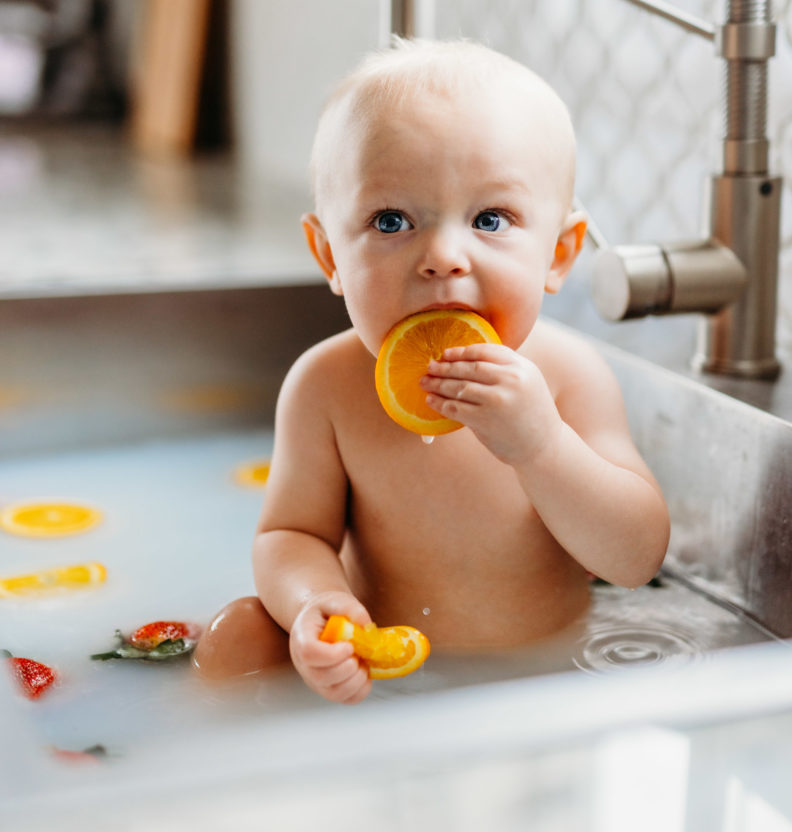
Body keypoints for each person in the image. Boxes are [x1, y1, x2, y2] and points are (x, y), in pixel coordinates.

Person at [193, 39, 669, 703]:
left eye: (490, 219)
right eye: (392, 221)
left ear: (558, 254)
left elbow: (635, 555)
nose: (444, 256)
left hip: (542, 681)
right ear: (329, 253)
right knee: (234, 640)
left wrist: (541, 445)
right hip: (386, 678)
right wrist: (317, 605)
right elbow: (289, 533)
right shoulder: (325, 387)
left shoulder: (566, 378)